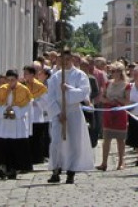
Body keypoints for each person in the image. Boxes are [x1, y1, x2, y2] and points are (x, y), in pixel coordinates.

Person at [44, 49, 94, 184]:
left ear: (71, 59)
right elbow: (50, 97)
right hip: (59, 111)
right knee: (56, 141)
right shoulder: (55, 77)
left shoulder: (79, 75)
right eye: (62, 60)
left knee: (74, 142)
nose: (65, 63)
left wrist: (69, 89)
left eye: (67, 60)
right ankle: (55, 169)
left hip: (73, 110)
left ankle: (71, 171)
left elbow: (84, 92)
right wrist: (58, 112)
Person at [0, 69, 33, 179]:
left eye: (13, 80)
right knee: (3, 144)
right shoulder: (1, 89)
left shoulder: (23, 90)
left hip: (17, 121)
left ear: (17, 79)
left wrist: (15, 112)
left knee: (16, 145)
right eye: (8, 80)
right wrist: (4, 111)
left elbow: (28, 103)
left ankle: (14, 168)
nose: (10, 82)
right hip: (4, 121)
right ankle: (2, 167)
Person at [96, 62, 129, 171]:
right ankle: (104, 163)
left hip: (120, 114)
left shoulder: (126, 85)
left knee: (120, 139)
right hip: (108, 113)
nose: (114, 73)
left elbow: (127, 101)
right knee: (106, 139)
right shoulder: (107, 83)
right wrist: (108, 101)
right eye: (113, 71)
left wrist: (118, 100)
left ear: (121, 72)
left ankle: (121, 162)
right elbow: (102, 98)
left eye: (116, 71)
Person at [24, 65, 49, 165]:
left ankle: (38, 157)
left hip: (37, 115)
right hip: (26, 115)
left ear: (32, 75)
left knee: (37, 138)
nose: (24, 76)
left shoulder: (40, 86)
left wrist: (36, 102)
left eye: (26, 74)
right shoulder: (23, 85)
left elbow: (46, 101)